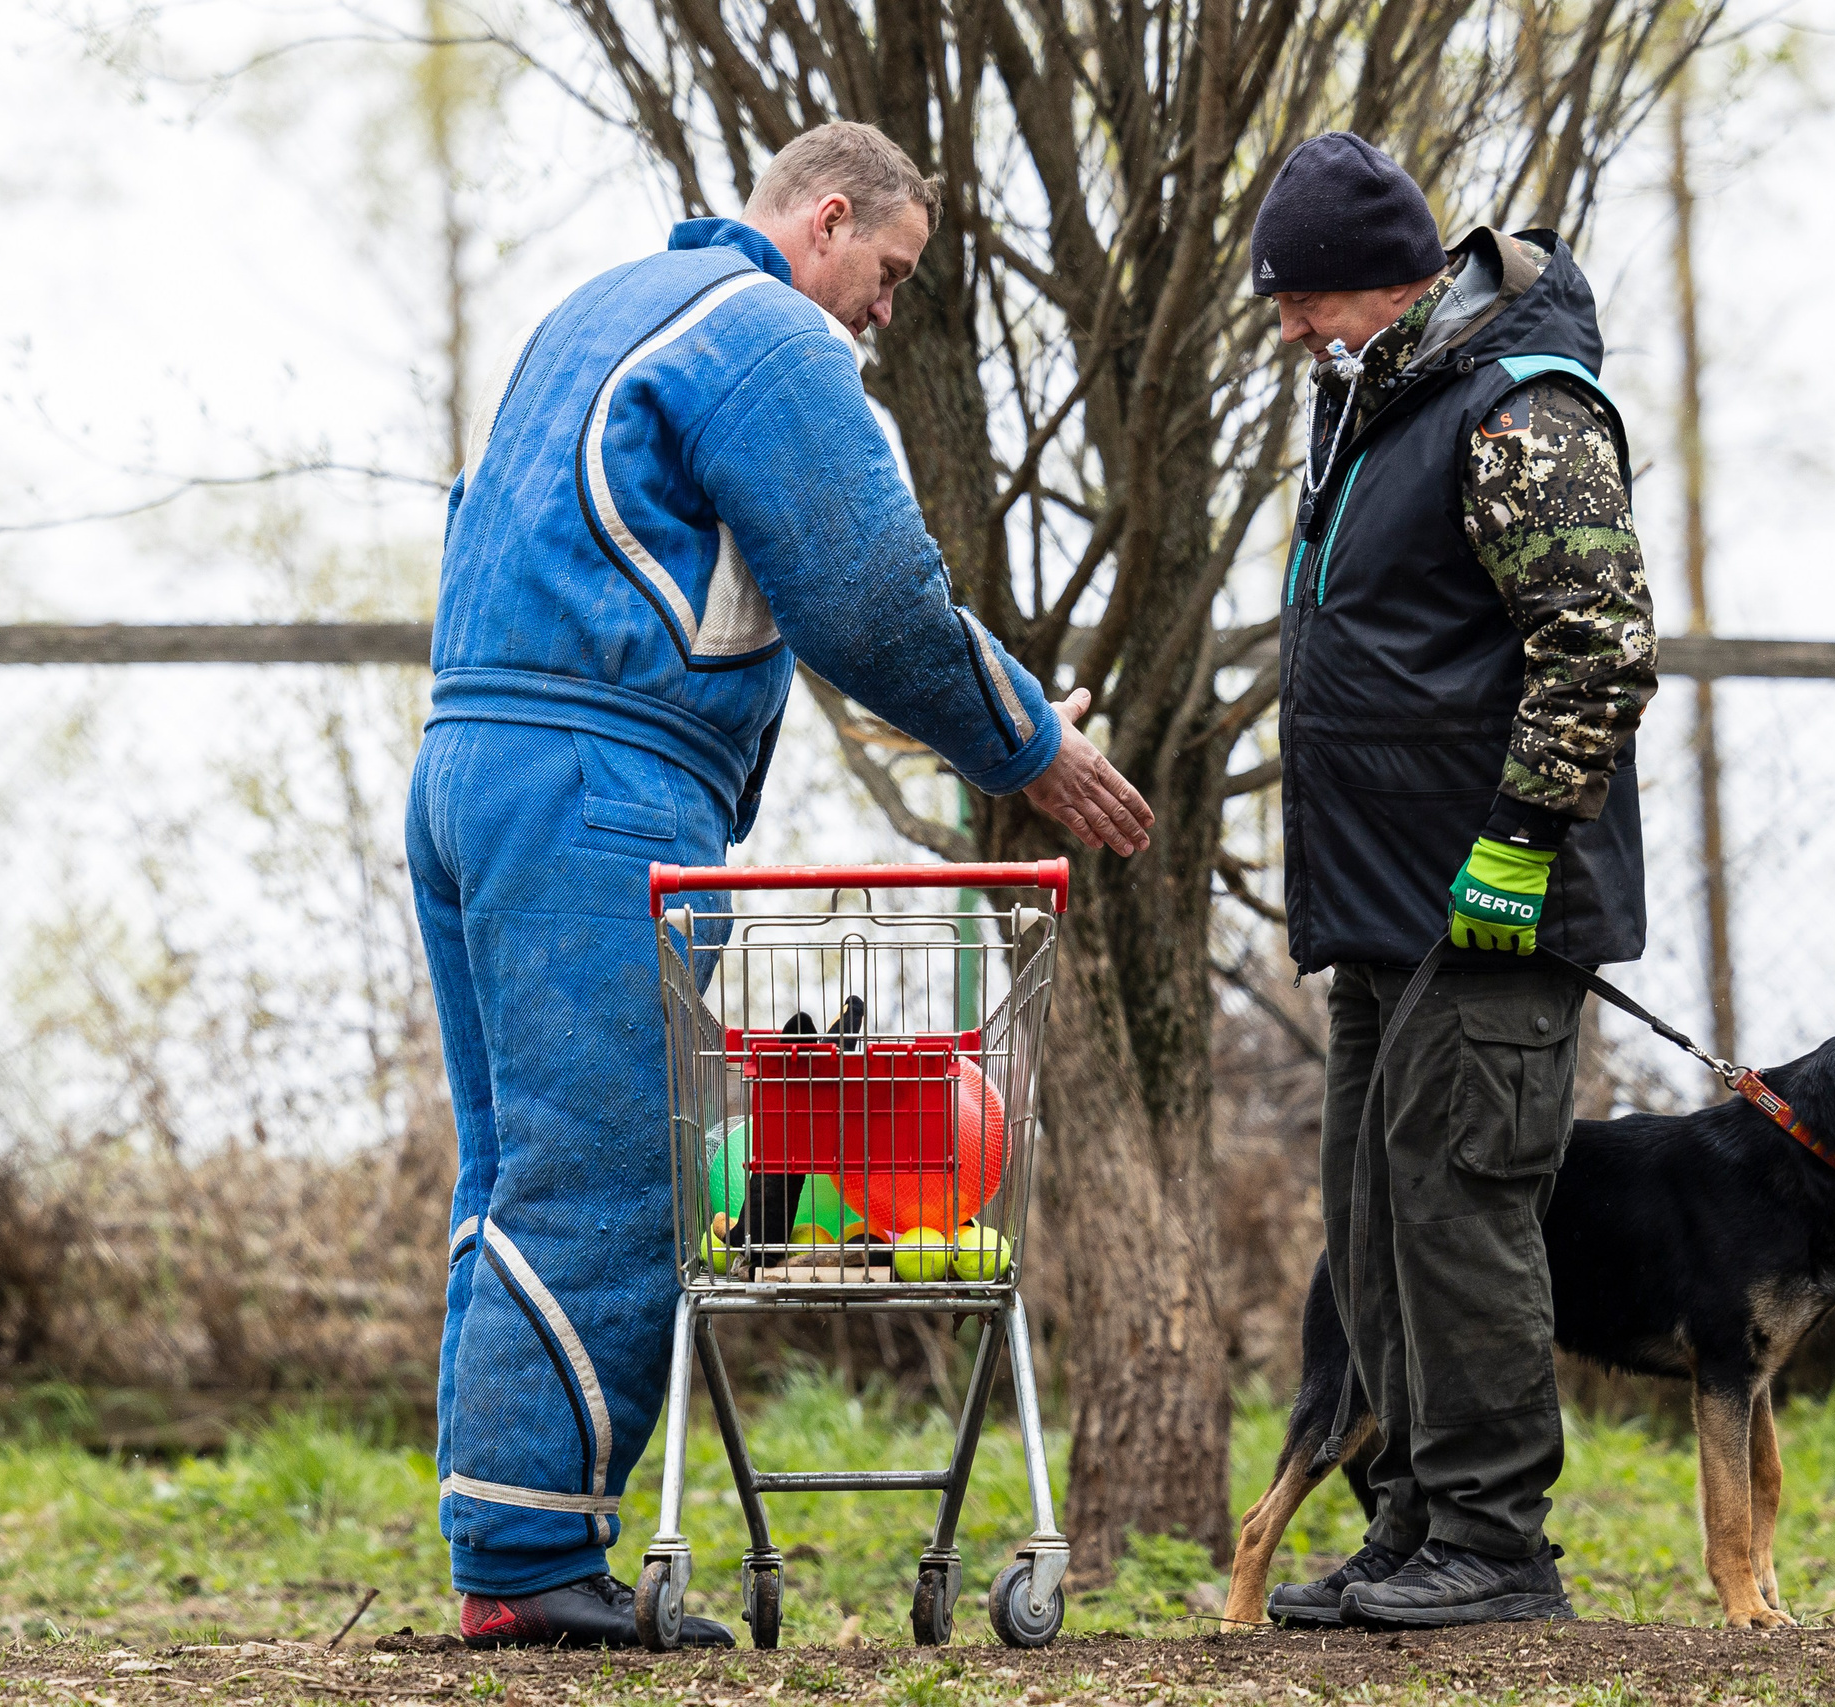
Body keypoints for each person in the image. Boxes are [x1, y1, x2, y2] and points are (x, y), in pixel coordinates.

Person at [410, 121, 1152, 1651]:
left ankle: (509, 1544)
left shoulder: (598, 312)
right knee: (615, 1162)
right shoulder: (766, 335)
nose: (886, 309)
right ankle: (534, 1570)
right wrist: (1030, 743)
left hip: (469, 767)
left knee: (514, 1167)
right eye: (890, 271)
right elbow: (869, 596)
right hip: (597, 782)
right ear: (826, 218)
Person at [1257, 132, 1658, 1629]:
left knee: (1460, 1209)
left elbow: (1598, 644)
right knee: (1373, 1217)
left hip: (1489, 906)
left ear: (1384, 280)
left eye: (1302, 299)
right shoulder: (1378, 402)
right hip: (1384, 909)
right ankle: (1415, 1522)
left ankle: (1496, 1541)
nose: (1289, 328)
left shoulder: (1519, 408)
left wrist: (1520, 843)